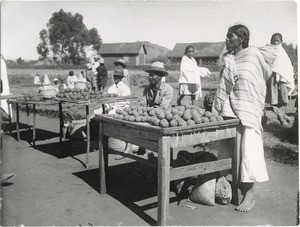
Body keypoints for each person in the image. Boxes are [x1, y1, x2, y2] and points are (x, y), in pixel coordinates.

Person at [212, 24, 278, 212]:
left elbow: (254, 81)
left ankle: (249, 196)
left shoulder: (252, 55)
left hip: (248, 107)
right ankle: (228, 187)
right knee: (228, 147)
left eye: (229, 36)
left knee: (247, 150)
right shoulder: (229, 58)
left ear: (241, 38)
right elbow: (224, 84)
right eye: (226, 36)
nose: (226, 39)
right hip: (230, 106)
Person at [265, 33, 295, 108]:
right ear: (271, 41)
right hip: (272, 72)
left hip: (282, 73)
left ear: (281, 41)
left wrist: (282, 71)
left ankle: (283, 101)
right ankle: (273, 102)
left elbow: (285, 64)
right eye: (273, 41)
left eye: (277, 41)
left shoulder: (282, 51)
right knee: (272, 86)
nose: (275, 43)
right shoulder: (268, 49)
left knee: (282, 87)